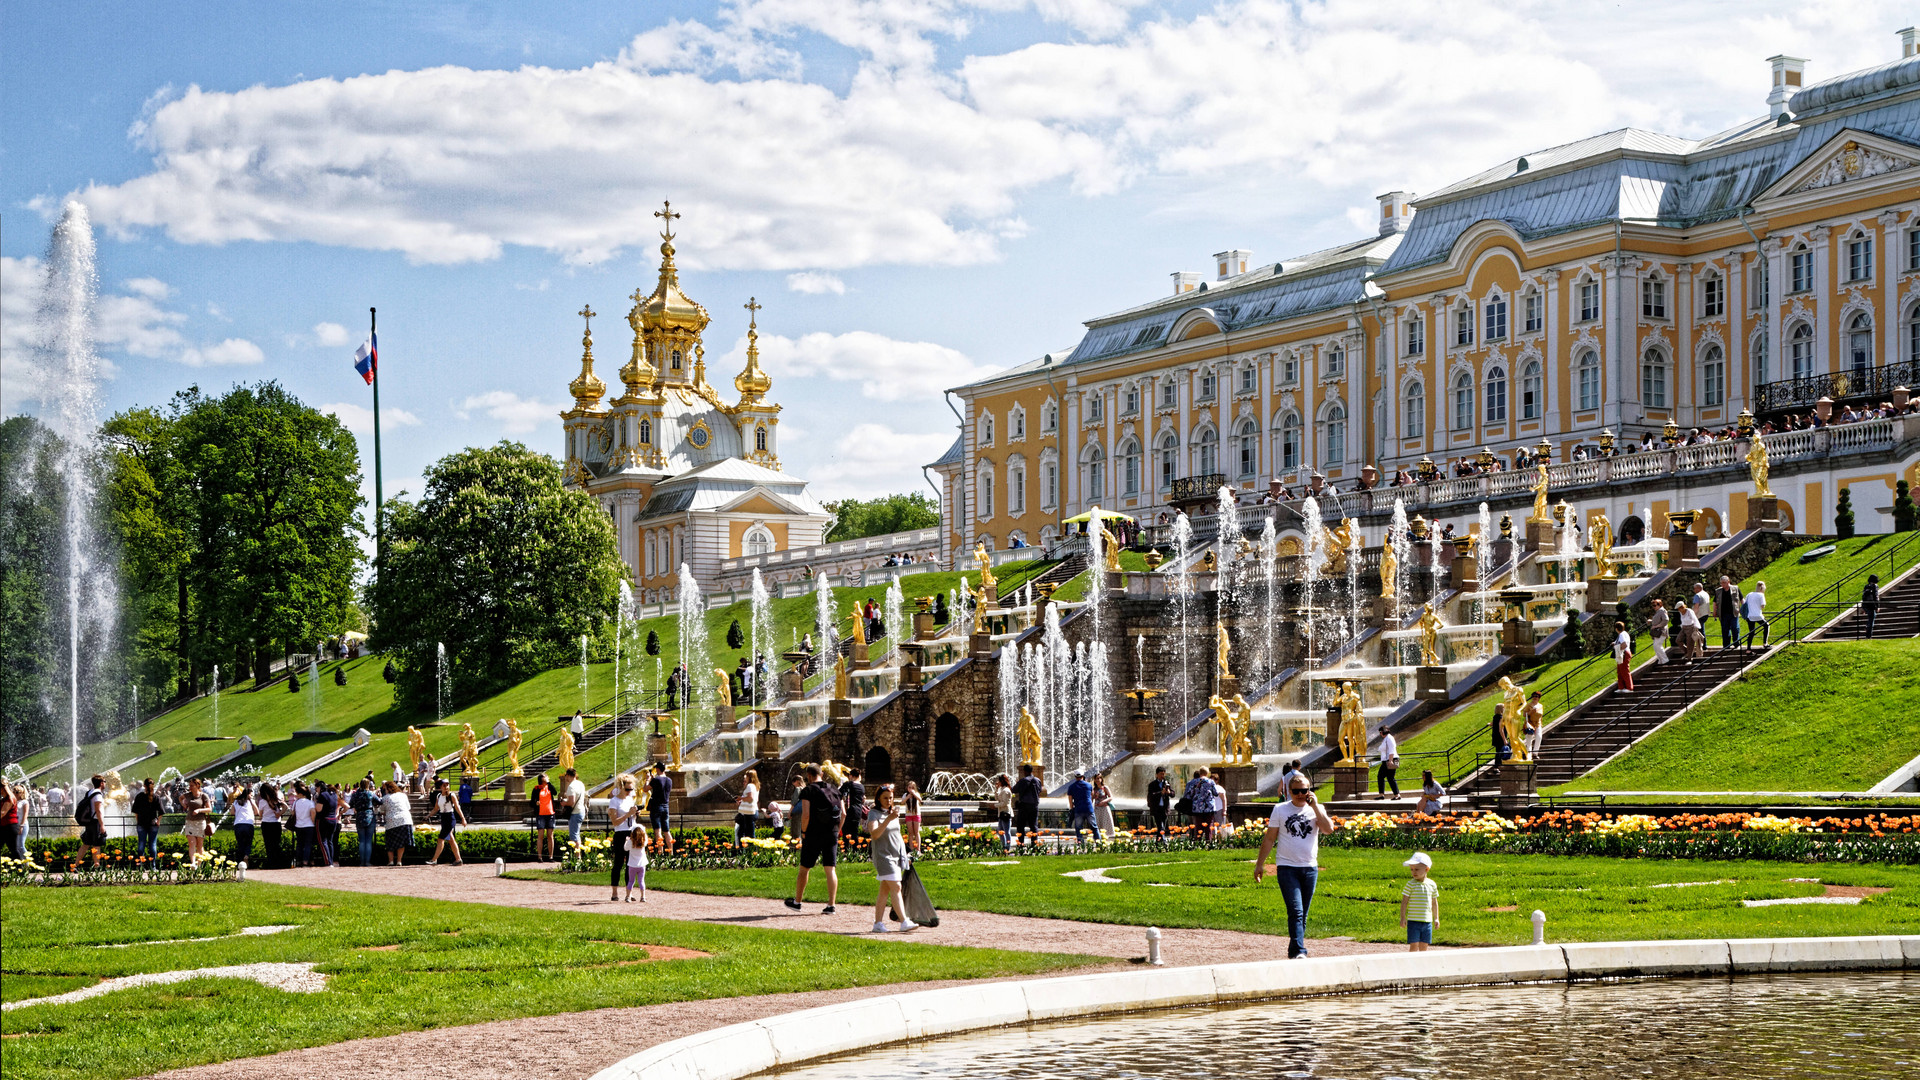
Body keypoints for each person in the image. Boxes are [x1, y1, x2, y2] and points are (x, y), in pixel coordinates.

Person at [1254, 772, 1336, 959]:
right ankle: (1300, 950)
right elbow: (1269, 839)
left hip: (1309, 867)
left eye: (1304, 790)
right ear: (1289, 791)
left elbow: (1328, 830)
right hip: (1286, 867)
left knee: (1302, 914)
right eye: (1296, 791)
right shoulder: (1280, 809)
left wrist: (1315, 807)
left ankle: (1294, 952)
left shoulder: (1317, 809)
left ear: (1310, 791)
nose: (1301, 794)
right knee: (1296, 910)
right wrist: (1260, 864)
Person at [786, 764, 841, 914]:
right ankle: (831, 905)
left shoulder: (808, 790)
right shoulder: (834, 789)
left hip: (813, 833)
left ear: (808, 776)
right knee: (830, 869)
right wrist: (837, 830)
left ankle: (797, 902)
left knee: (804, 868)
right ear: (821, 773)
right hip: (832, 832)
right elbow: (844, 814)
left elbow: (805, 815)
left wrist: (803, 831)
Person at [867, 784, 917, 932]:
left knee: (884, 890)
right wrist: (888, 819)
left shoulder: (892, 813)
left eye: (890, 798)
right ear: (878, 799)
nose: (888, 801)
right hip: (883, 856)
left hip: (896, 855)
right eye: (885, 798)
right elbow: (875, 834)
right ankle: (904, 921)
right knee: (896, 886)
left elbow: (897, 836)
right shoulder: (874, 814)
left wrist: (905, 854)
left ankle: (878, 924)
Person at [1399, 852, 1440, 952]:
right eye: (1411, 869)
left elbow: (1434, 902)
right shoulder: (1410, 884)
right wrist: (1403, 917)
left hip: (1427, 922)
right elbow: (1404, 902)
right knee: (1414, 945)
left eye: (1417, 869)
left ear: (1426, 869)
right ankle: (1410, 964)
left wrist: (1436, 918)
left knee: (1424, 946)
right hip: (1413, 921)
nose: (1413, 872)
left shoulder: (1432, 884)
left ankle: (1423, 965)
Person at [608, 773, 638, 901]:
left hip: (630, 832)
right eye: (627, 789)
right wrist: (627, 814)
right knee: (619, 863)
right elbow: (615, 822)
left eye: (631, 789)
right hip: (620, 833)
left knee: (630, 864)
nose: (629, 792)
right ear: (621, 787)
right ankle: (614, 892)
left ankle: (628, 893)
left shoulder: (630, 799)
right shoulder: (614, 801)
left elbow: (632, 818)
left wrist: (635, 814)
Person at [428, 777, 467, 866]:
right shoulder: (439, 796)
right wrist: (428, 815)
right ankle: (458, 859)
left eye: (447, 785)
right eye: (444, 785)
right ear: (440, 787)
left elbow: (457, 807)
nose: (446, 787)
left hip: (450, 818)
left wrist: (463, 818)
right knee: (451, 839)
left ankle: (434, 859)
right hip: (443, 818)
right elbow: (436, 808)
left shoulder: (451, 795)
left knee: (441, 839)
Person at [76, 776, 108, 867]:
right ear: (101, 783)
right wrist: (102, 825)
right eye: (104, 781)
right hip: (95, 822)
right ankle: (97, 866)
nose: (105, 783)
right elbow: (98, 811)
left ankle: (75, 865)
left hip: (90, 821)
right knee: (96, 845)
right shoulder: (98, 794)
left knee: (86, 844)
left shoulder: (90, 792)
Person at [180, 777, 212, 865]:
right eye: (189, 785)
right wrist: (184, 805)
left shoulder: (203, 796)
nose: (190, 787)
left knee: (199, 844)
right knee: (191, 843)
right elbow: (180, 798)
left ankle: (199, 864)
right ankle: (193, 863)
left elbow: (210, 809)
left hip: (200, 821)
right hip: (190, 821)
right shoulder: (188, 795)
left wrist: (199, 810)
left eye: (192, 785)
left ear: (197, 785)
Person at [381, 781, 414, 865]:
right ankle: (399, 861)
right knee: (401, 842)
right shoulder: (403, 795)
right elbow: (408, 807)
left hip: (391, 822)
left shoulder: (385, 798)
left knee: (390, 842)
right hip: (404, 820)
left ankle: (391, 861)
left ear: (388, 789)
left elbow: (381, 811)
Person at [1183, 766, 1219, 842]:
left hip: (1197, 807)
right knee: (1208, 826)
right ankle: (1208, 841)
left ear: (1200, 773)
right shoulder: (1210, 782)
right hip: (1209, 807)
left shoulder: (1193, 782)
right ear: (1207, 773)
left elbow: (1188, 795)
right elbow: (1216, 793)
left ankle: (1198, 842)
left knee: (1198, 826)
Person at [1011, 764, 1043, 849]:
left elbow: (1013, 790)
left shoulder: (1023, 781)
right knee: (1034, 826)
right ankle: (1034, 844)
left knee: (1021, 826)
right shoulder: (1037, 780)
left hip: (1024, 806)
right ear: (1032, 771)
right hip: (1034, 806)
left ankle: (1021, 843)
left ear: (1024, 771)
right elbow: (1040, 790)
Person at [646, 762, 674, 853]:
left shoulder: (656, 780)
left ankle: (660, 852)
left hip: (656, 807)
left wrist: (648, 779)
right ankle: (671, 853)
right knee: (666, 831)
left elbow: (645, 788)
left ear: (657, 769)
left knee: (658, 831)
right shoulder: (669, 780)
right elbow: (661, 787)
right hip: (666, 806)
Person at [256, 782, 286, 868]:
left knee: (268, 844)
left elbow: (260, 814)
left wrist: (261, 816)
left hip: (266, 823)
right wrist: (279, 814)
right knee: (276, 843)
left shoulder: (262, 801)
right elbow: (285, 807)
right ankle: (278, 862)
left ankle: (271, 862)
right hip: (276, 823)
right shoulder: (276, 799)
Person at [132, 778, 163, 859]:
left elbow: (135, 811)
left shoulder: (139, 796)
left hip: (141, 823)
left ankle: (140, 863)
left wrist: (138, 820)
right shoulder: (156, 797)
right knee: (152, 844)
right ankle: (153, 865)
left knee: (141, 843)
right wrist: (158, 821)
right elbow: (161, 812)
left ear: (144, 786)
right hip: (153, 823)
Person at [349, 779, 378, 866]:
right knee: (368, 841)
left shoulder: (355, 794)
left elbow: (350, 804)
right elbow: (379, 801)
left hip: (359, 816)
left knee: (362, 841)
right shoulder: (370, 793)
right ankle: (367, 861)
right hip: (369, 816)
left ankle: (362, 862)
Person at [528, 773, 555, 861]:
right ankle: (539, 856)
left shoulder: (549, 787)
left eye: (546, 780)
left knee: (550, 835)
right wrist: (536, 803)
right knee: (541, 835)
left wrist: (549, 783)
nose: (545, 782)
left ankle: (551, 856)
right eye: (544, 781)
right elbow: (531, 802)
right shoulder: (536, 789)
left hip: (550, 813)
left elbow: (555, 792)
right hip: (540, 814)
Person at [290, 782, 318, 867]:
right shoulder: (310, 802)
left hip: (299, 825)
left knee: (299, 844)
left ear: (301, 794)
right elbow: (313, 812)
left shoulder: (296, 803)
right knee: (308, 844)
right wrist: (312, 821)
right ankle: (306, 861)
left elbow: (292, 813)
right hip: (309, 825)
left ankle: (299, 861)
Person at [623, 814, 650, 903]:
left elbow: (625, 848)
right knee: (641, 881)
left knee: (631, 881)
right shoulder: (643, 842)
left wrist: (627, 840)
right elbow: (645, 837)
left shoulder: (631, 842)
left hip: (632, 865)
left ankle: (628, 896)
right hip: (642, 864)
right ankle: (643, 897)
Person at [228, 782, 256, 866]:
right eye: (251, 795)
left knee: (240, 843)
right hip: (248, 824)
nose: (252, 796)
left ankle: (240, 861)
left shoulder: (236, 801)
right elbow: (257, 811)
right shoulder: (250, 801)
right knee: (248, 842)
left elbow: (232, 813)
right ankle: (246, 856)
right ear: (248, 795)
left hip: (238, 824)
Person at [838, 768, 867, 845]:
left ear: (851, 775)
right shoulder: (862, 787)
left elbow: (838, 794)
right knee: (855, 832)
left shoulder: (849, 784)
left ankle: (846, 850)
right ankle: (855, 850)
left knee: (846, 831)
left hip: (849, 810)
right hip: (858, 811)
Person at [562, 767, 588, 850]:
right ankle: (577, 856)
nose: (565, 777)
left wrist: (564, 803)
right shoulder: (580, 783)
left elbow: (571, 802)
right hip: (581, 810)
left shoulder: (571, 787)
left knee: (574, 836)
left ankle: (577, 857)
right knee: (577, 834)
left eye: (565, 775)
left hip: (575, 813)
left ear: (569, 775)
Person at [1065, 772, 1095, 844]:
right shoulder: (1089, 785)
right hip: (1089, 808)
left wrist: (1072, 808)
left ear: (1075, 777)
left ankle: (1080, 842)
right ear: (1083, 776)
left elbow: (1070, 801)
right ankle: (1098, 841)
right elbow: (1092, 796)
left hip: (1078, 809)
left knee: (1078, 827)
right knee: (1094, 827)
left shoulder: (1072, 786)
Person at [1714, 575, 1742, 650]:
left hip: (1734, 613)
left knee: (1735, 628)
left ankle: (1737, 644)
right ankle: (1726, 646)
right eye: (1721, 583)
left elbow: (1742, 599)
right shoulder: (1718, 591)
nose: (1723, 584)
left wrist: (1744, 609)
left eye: (1724, 583)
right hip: (1723, 614)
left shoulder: (1735, 588)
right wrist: (1714, 612)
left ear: (1728, 582)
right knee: (1725, 630)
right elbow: (1715, 602)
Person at [735, 769, 761, 848]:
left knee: (749, 835)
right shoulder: (755, 786)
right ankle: (750, 851)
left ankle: (752, 851)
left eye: (746, 775)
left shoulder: (750, 785)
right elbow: (755, 800)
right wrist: (742, 800)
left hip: (749, 813)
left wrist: (741, 798)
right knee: (749, 833)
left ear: (750, 777)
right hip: (753, 811)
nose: (745, 777)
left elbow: (750, 798)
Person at [1145, 766, 1172, 837]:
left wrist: (1169, 792)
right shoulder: (1152, 784)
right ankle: (1164, 842)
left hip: (1164, 808)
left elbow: (1173, 794)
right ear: (1156, 774)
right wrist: (1160, 793)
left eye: (1163, 774)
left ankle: (1158, 842)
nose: (1162, 776)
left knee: (1162, 827)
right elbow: (1151, 795)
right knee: (1160, 826)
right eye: (1161, 774)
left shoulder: (1166, 783)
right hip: (1156, 809)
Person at [1743, 580, 1770, 648]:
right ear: (1762, 588)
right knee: (1766, 626)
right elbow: (1762, 606)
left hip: (1750, 616)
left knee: (1751, 632)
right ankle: (1765, 643)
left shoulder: (1749, 594)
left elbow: (1745, 603)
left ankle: (1748, 648)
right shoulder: (1761, 595)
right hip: (1758, 615)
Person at [1376, 729, 1400, 798]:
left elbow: (1392, 749)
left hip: (1389, 760)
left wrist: (1390, 760)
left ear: (1382, 732)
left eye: (1380, 732)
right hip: (1386, 760)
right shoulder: (1386, 738)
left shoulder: (1389, 738)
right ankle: (1395, 794)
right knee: (1388, 777)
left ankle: (1394, 794)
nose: (1380, 734)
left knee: (1385, 777)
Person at [993, 773, 1014, 850]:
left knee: (1006, 831)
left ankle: (1007, 846)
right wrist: (996, 789)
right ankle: (1004, 845)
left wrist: (995, 806)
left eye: (999, 781)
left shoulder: (1006, 791)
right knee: (1000, 831)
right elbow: (997, 798)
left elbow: (1005, 803)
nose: (998, 782)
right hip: (1001, 813)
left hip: (1005, 813)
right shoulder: (1002, 789)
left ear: (1002, 781)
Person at [1091, 774, 1116, 839]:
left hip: (1105, 808)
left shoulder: (1105, 787)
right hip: (1097, 808)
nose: (1098, 780)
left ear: (1102, 779)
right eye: (1096, 778)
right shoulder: (1094, 789)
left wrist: (1104, 801)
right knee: (1098, 822)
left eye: (1099, 778)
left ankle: (1107, 837)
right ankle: (1098, 837)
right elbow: (1091, 799)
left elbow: (1111, 797)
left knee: (1106, 822)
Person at [902, 779, 923, 853]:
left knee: (916, 832)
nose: (911, 789)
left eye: (912, 787)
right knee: (910, 833)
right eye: (909, 787)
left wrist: (914, 794)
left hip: (916, 814)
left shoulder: (916, 794)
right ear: (907, 788)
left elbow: (920, 800)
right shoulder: (905, 795)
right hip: (908, 815)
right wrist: (907, 797)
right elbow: (902, 802)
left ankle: (918, 849)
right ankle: (911, 849)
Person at [1612, 620, 1634, 691]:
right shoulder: (1624, 633)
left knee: (1624, 670)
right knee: (1620, 670)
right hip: (1624, 653)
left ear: (1616, 629)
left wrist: (1618, 648)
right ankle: (1621, 687)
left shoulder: (1621, 635)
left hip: (1624, 653)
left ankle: (1629, 687)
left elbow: (1624, 644)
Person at [1648, 598, 1671, 664]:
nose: (1653, 607)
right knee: (1655, 646)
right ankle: (1661, 660)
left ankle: (1665, 660)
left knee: (1657, 645)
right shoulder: (1659, 611)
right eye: (1653, 606)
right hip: (1657, 632)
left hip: (1661, 631)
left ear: (1659, 605)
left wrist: (1656, 626)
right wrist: (1651, 621)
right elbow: (1659, 620)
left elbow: (1666, 620)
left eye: (1655, 605)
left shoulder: (1662, 611)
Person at [1861, 574, 1881, 639]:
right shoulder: (1875, 586)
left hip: (1866, 604)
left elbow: (1863, 597)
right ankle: (1868, 635)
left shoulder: (1866, 586)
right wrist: (1877, 606)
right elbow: (1876, 596)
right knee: (1872, 619)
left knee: (1870, 618)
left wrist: (1863, 607)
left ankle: (1867, 628)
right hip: (1872, 605)